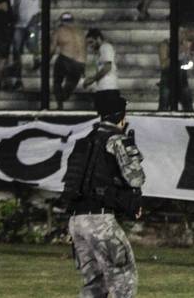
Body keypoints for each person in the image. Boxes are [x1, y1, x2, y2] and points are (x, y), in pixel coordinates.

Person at [62, 92, 144, 298]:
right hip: (100, 222)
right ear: (121, 115)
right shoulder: (116, 140)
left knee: (94, 285)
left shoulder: (83, 142)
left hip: (76, 221)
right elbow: (135, 178)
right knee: (123, 279)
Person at [52, 13, 86, 109]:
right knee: (70, 85)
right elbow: (84, 51)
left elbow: (52, 48)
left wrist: (45, 60)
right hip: (79, 63)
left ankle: (60, 104)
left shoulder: (59, 31)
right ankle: (63, 97)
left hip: (65, 59)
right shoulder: (80, 32)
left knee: (57, 81)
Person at [82, 29, 119, 99]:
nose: (90, 45)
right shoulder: (99, 51)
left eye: (91, 42)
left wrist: (92, 80)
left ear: (98, 39)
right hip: (103, 88)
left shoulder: (105, 47)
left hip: (108, 88)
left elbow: (107, 67)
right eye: (88, 43)